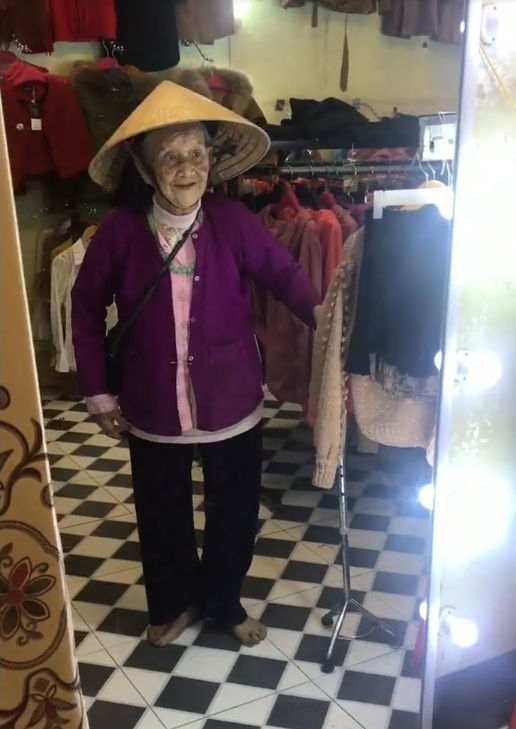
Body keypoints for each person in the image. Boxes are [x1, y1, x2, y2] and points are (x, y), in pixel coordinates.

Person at [72, 81, 322, 649]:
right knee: (162, 511)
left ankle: (223, 601)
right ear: (145, 167)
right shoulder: (119, 232)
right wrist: (98, 393)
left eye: (196, 153)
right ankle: (174, 602)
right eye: (170, 156)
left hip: (230, 394)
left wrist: (322, 316)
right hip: (151, 399)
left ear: (212, 158)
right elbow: (84, 309)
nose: (186, 168)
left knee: (235, 509)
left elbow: (283, 275)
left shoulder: (234, 221)